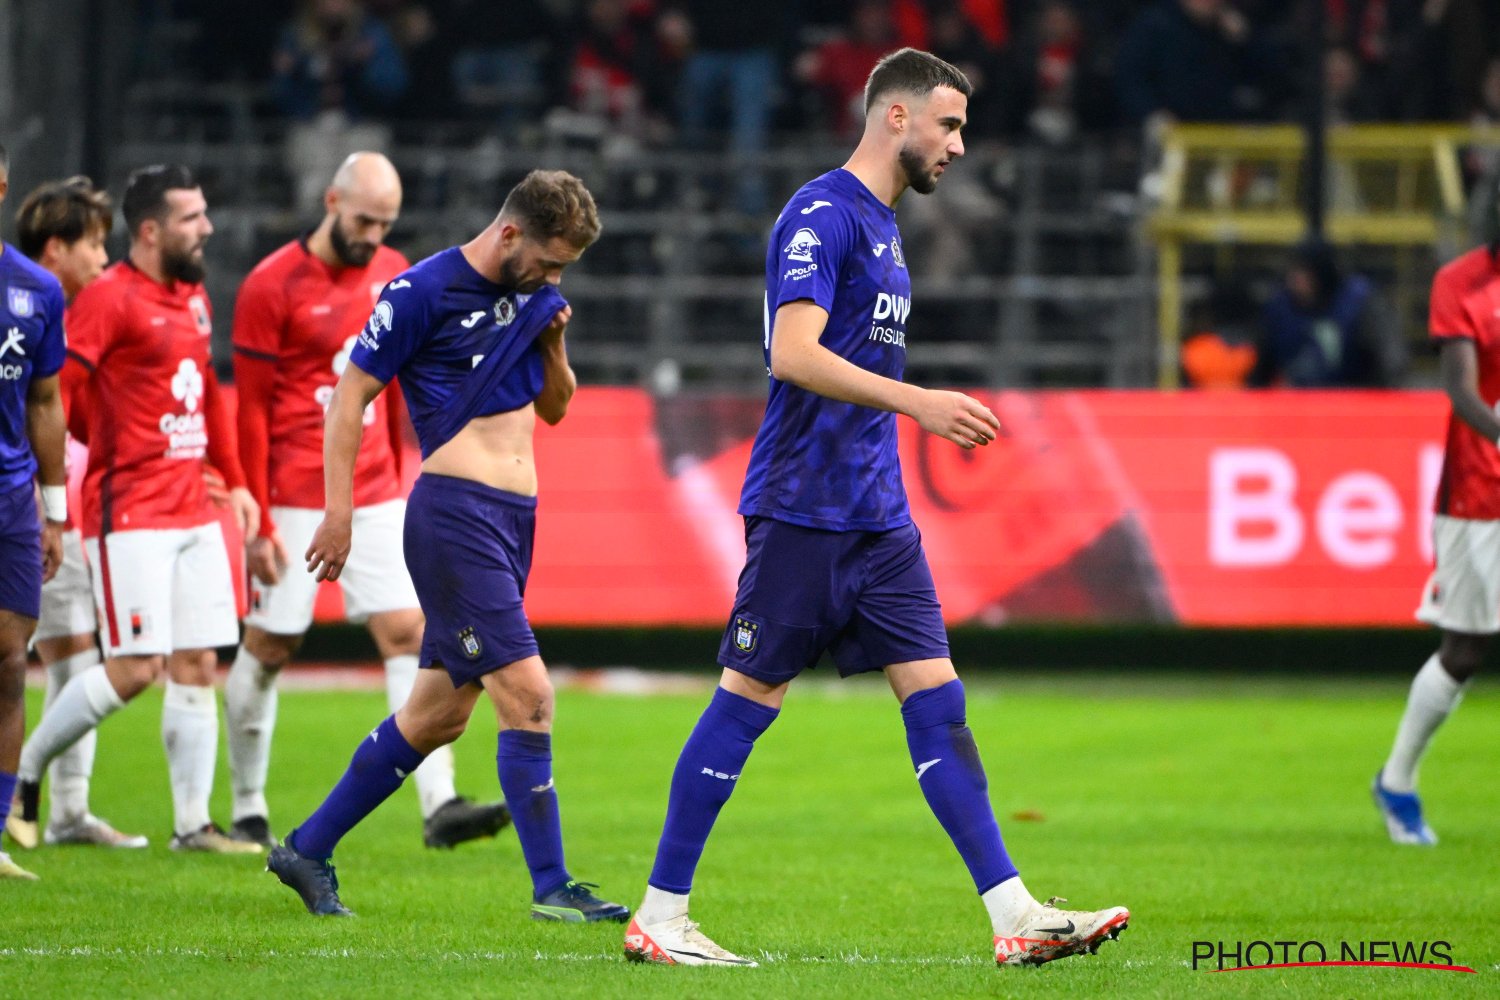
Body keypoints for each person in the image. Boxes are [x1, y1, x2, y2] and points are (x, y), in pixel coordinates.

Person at [622, 48, 1129, 969]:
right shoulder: (822, 214)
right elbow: (793, 353)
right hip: (805, 507)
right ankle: (660, 912)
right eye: (950, 125)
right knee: (749, 699)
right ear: (895, 116)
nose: (960, 147)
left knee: (939, 701)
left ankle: (1013, 912)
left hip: (878, 518)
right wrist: (921, 403)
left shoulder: (887, 229)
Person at [266, 169, 629, 924]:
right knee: (529, 698)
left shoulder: (538, 298)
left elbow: (555, 411)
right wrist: (338, 513)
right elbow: (349, 396)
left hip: (512, 522)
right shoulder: (419, 292)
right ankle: (553, 887)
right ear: (508, 233)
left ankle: (305, 848)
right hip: (454, 518)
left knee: (436, 718)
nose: (554, 276)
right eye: (550, 259)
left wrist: (557, 345)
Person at [224, 152, 509, 851]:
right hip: (293, 491)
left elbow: (395, 392)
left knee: (410, 635)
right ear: (329, 200)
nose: (373, 235)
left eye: (385, 223)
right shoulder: (270, 285)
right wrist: (256, 511)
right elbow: (253, 410)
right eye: (362, 220)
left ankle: (439, 804)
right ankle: (248, 805)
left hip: (376, 487)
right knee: (270, 643)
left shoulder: (395, 272)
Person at [8, 164, 262, 854]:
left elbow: (207, 392)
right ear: (149, 231)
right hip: (132, 509)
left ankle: (192, 826)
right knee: (134, 667)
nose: (206, 228)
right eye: (192, 217)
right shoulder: (109, 299)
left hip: (192, 508)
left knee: (197, 664)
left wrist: (233, 481)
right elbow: (60, 397)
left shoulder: (196, 297)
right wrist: (122, 439)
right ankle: (24, 774)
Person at [4, 176, 147, 850]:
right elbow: (66, 408)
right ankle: (39, 799)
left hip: (58, 502)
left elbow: (59, 407)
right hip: (48, 497)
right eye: (93, 244)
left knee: (66, 650)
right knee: (45, 652)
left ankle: (61, 811)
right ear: (55, 248)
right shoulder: (75, 308)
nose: (102, 258)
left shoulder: (57, 300)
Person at [1374, 231, 1500, 845]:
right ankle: (1397, 781)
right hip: (1480, 491)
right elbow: (1463, 391)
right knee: (1466, 648)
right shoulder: (1462, 282)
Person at [0, 143, 68, 880]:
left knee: (10, 665)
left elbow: (45, 400)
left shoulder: (36, 289)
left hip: (11, 500)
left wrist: (54, 511)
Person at [1255, 239, 1405, 388]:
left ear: (1321, 273)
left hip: (1354, 399)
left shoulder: (1360, 303)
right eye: (1292, 272)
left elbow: (1392, 361)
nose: (1295, 280)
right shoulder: (1280, 308)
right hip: (1299, 402)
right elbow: (1262, 368)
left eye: (1303, 272)